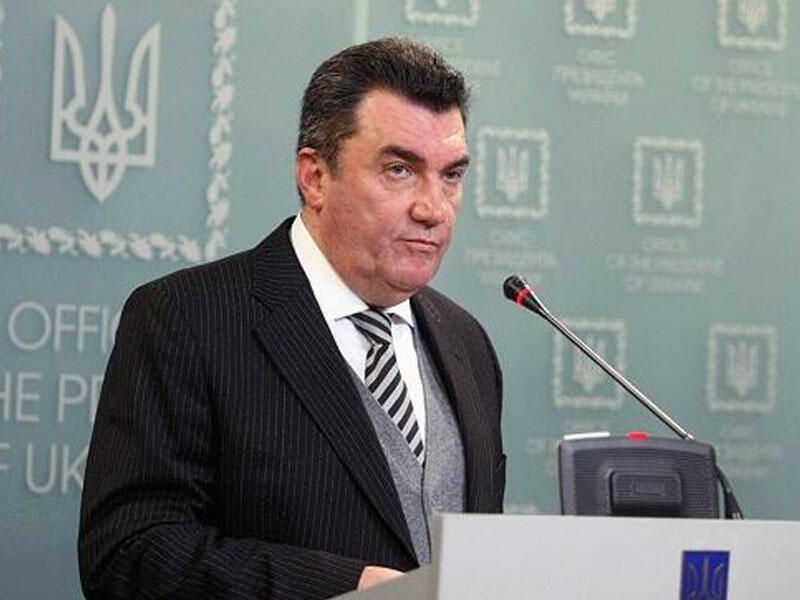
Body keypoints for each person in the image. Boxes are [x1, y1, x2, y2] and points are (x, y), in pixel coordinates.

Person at [79, 38, 505, 600]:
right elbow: (129, 555)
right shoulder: (186, 319)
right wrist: (345, 586)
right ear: (315, 177)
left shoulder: (467, 342)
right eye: (400, 170)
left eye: (451, 175)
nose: (433, 208)